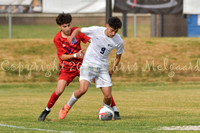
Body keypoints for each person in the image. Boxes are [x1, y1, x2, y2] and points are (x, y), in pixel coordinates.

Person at [38, 13, 120, 121]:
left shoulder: (76, 31)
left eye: (69, 25)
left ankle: (114, 110)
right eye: (64, 26)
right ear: (59, 27)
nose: (67, 28)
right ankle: (46, 110)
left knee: (104, 84)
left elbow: (90, 40)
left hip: (82, 65)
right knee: (59, 90)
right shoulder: (57, 39)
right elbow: (62, 57)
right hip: (67, 68)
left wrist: (99, 45)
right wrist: (75, 55)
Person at [59, 17, 124, 120]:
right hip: (88, 65)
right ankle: (67, 106)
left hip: (102, 68)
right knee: (83, 89)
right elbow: (78, 30)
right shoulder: (96, 30)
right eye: (111, 30)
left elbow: (118, 56)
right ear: (107, 26)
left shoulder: (119, 41)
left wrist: (112, 69)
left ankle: (105, 111)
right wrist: (72, 36)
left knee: (108, 96)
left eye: (115, 32)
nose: (113, 34)